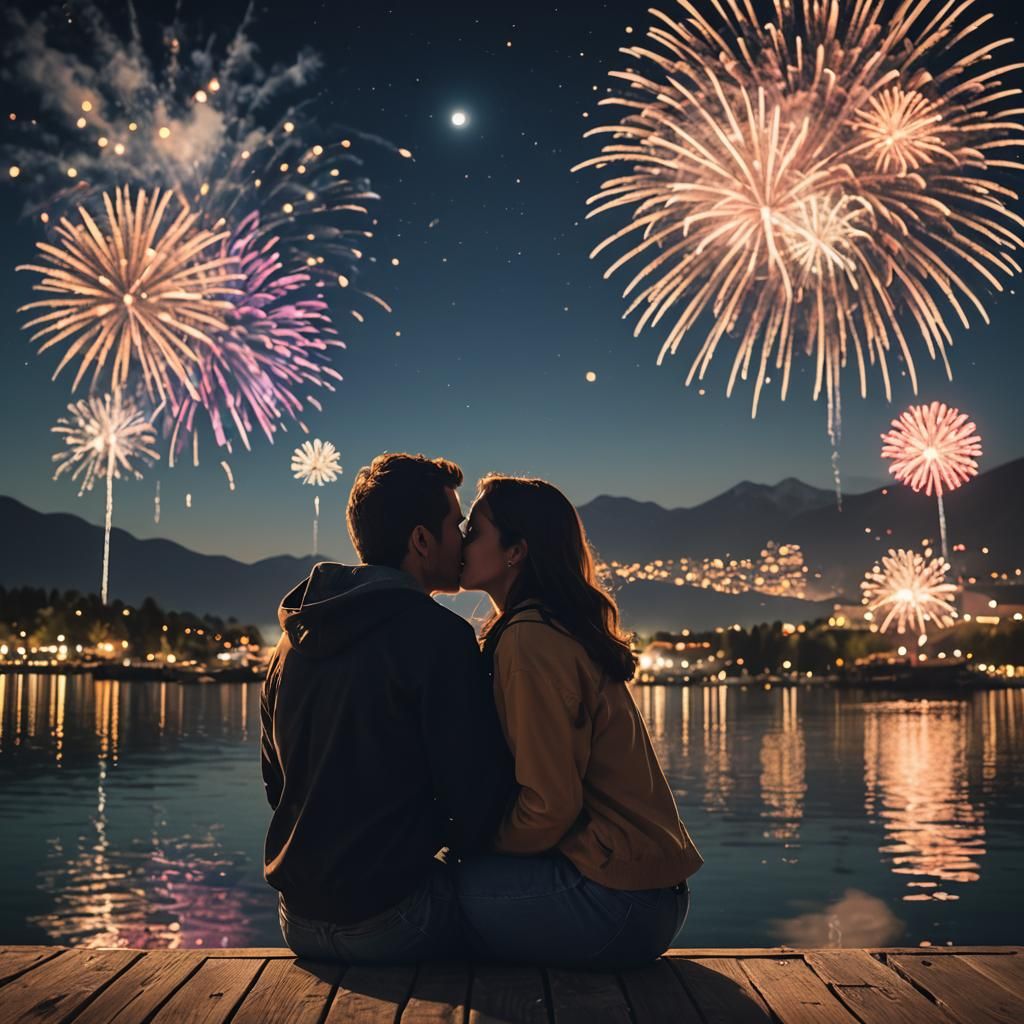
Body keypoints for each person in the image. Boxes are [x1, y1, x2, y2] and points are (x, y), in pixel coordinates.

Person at [261, 453, 514, 963]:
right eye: (455, 525)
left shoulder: (293, 641)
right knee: (543, 899)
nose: (463, 539)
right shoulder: (439, 637)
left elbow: (276, 784)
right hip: (392, 920)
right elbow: (474, 800)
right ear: (422, 540)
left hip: (296, 919)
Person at [455, 474, 702, 969]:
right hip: (646, 893)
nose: (462, 540)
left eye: (474, 530)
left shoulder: (529, 641)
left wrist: (478, 840)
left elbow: (550, 806)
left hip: (615, 902)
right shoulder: (551, 626)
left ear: (515, 551)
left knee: (432, 894)